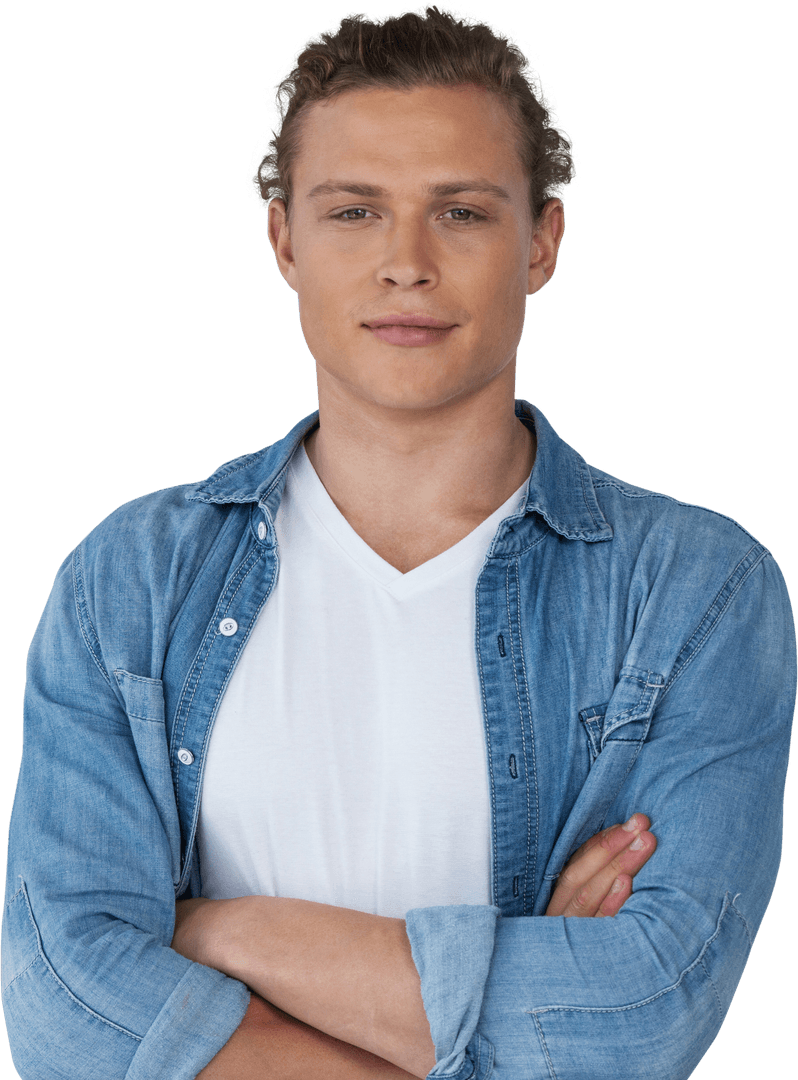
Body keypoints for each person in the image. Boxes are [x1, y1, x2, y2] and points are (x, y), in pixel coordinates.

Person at [2, 5, 794, 1078]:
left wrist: (212, 932)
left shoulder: (696, 591)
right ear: (284, 239)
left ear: (544, 241)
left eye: (462, 212)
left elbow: (646, 1014)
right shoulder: (129, 580)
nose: (406, 264)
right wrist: (500, 1012)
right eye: (354, 212)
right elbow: (58, 1008)